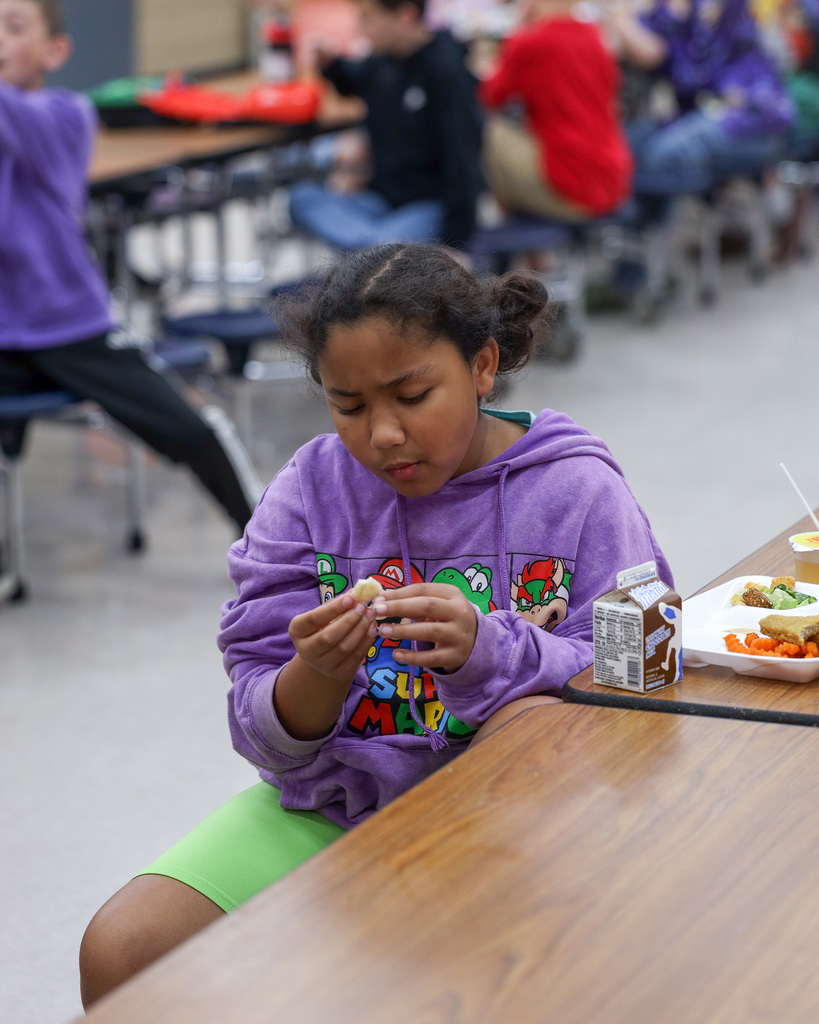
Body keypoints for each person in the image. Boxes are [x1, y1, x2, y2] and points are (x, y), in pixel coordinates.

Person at [79, 242, 673, 1006]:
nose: (382, 434)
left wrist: (491, 651)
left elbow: (645, 679)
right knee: (124, 948)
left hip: (522, 826)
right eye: (348, 406)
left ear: (483, 366)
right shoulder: (311, 490)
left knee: (519, 739)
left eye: (411, 395)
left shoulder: (575, 491)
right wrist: (315, 676)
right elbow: (259, 726)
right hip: (339, 804)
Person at [0, 0, 262, 534]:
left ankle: (272, 546)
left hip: (70, 326)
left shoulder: (66, 114)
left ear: (57, 50)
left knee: (190, 429)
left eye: (13, 27)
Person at [288, 0, 484, 250]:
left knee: (382, 246)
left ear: (405, 15)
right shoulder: (382, 62)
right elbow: (354, 79)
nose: (362, 29)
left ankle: (373, 254)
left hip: (428, 206)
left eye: (369, 18)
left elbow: (463, 158)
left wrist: (456, 238)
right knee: (301, 197)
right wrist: (331, 64)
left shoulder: (445, 72)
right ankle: (371, 253)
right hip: (380, 202)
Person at [605, 0, 795, 192]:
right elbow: (653, 50)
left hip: (752, 119)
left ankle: (667, 217)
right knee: (628, 144)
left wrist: (619, 19)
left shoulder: (724, 9)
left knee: (663, 155)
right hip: (701, 113)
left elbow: (659, 57)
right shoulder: (669, 12)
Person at [478, 0, 634, 221]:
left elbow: (490, 95)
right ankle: (530, 248)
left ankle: (510, 237)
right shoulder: (595, 36)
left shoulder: (532, 41)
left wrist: (518, 30)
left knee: (493, 135)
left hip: (571, 184)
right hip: (614, 176)